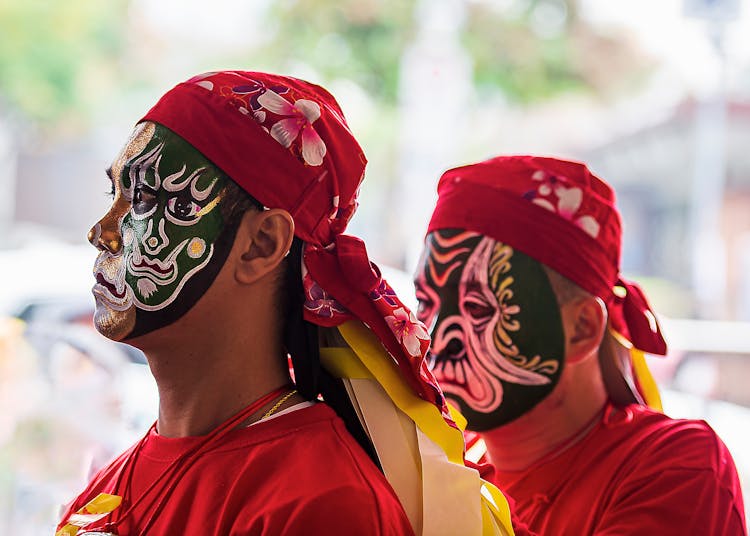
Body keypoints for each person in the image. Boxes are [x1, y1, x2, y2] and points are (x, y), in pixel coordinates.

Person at [56, 70, 514, 536]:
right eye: (115, 194)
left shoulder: (325, 505)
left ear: (261, 244)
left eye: (148, 200)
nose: (102, 232)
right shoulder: (104, 488)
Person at [415, 155, 747, 535]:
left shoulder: (677, 467)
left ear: (581, 328)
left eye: (478, 307)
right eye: (425, 302)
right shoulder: (443, 461)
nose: (434, 336)